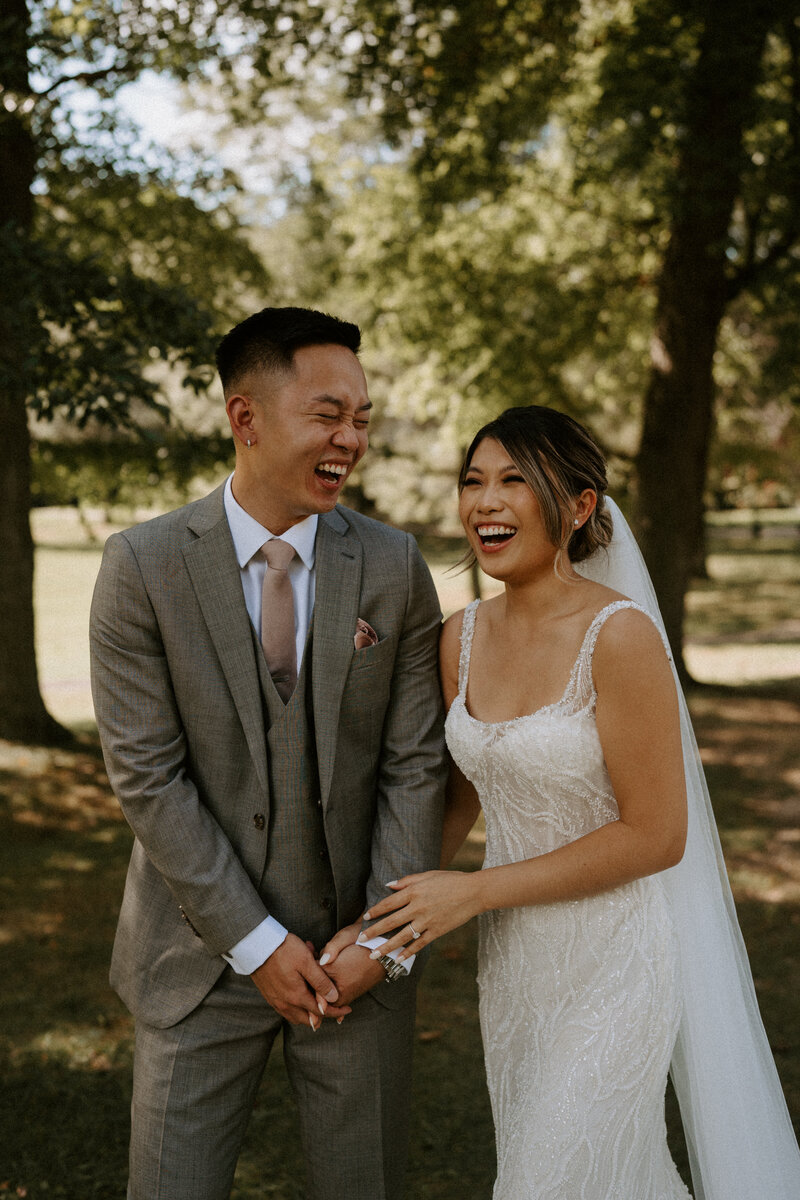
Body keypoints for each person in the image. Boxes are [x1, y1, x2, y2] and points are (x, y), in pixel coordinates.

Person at [334, 406, 800, 1199]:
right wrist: (380, 930)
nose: (486, 501)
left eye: (515, 480)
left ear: (580, 507)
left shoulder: (619, 636)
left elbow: (655, 836)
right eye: (474, 481)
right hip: (519, 969)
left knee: (550, 1180)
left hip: (617, 960)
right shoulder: (461, 639)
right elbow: (454, 805)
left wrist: (475, 892)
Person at [89, 306, 446, 1200]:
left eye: (361, 418)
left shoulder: (395, 566)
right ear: (245, 418)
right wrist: (253, 942)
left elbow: (415, 764)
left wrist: (384, 939)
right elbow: (148, 778)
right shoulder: (142, 566)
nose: (351, 438)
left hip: (358, 959)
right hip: (194, 966)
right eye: (329, 414)